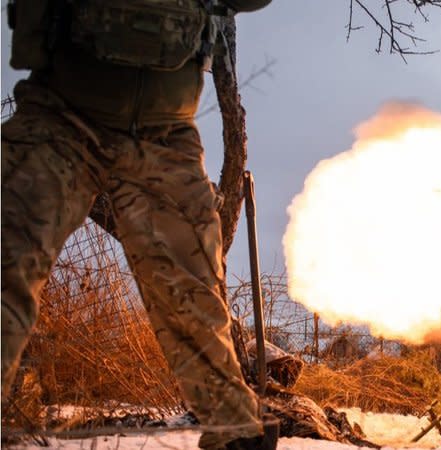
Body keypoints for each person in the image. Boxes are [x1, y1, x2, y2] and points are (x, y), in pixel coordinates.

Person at [1, 1, 274, 448]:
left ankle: (236, 437)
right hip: (60, 118)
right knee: (7, 257)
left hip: (165, 133)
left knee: (194, 300)